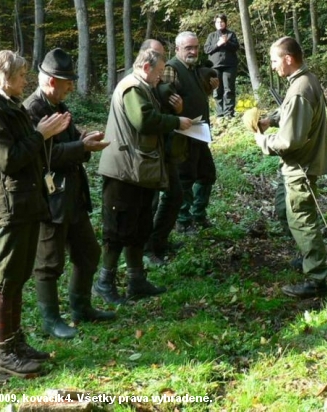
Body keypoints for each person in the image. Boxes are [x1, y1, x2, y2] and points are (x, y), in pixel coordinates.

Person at [0, 50, 70, 377]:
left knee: (18, 277)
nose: (26, 81)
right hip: (9, 206)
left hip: (24, 203)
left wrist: (42, 135)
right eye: (21, 75)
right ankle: (5, 354)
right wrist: (41, 134)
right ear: (2, 76)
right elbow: (8, 159)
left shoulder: (8, 105)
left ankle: (16, 343)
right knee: (6, 281)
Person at [23, 48, 116, 340]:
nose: (71, 87)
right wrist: (82, 148)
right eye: (67, 82)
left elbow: (70, 138)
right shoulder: (31, 111)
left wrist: (84, 139)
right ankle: (50, 320)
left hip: (73, 196)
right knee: (49, 263)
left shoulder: (59, 106)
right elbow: (40, 155)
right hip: (49, 200)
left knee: (88, 252)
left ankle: (81, 308)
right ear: (52, 81)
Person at [94, 48, 192, 304]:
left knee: (139, 226)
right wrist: (176, 122)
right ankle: (104, 283)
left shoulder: (143, 86)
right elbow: (144, 121)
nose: (161, 77)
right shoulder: (132, 88)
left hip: (137, 169)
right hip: (123, 171)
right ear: (146, 68)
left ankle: (136, 280)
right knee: (117, 230)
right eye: (159, 72)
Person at [253, 37, 327, 299]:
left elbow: (290, 139)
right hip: (299, 164)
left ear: (288, 59)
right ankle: (307, 256)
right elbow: (292, 114)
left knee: (303, 219)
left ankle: (317, 279)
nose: (273, 66)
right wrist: (271, 119)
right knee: (284, 210)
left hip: (301, 165)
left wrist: (263, 140)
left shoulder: (300, 88)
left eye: (275, 60)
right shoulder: (303, 81)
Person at [162, 31, 219, 233]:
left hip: (199, 132)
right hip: (182, 135)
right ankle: (183, 221)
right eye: (188, 48)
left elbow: (192, 95)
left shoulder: (194, 69)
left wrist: (209, 89)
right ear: (177, 49)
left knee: (207, 174)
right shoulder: (171, 68)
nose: (193, 51)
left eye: (195, 47)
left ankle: (199, 215)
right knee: (185, 178)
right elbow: (165, 101)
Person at [138, 39, 187, 264]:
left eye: (161, 57)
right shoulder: (135, 84)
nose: (161, 63)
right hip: (145, 155)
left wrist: (177, 110)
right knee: (149, 202)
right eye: (154, 55)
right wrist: (176, 119)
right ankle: (147, 249)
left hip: (165, 149)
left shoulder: (160, 79)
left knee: (175, 194)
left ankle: (159, 240)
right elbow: (145, 120)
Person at [204, 13, 239, 118]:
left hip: (229, 66)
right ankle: (220, 114)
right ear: (215, 24)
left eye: (222, 22)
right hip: (215, 66)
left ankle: (229, 113)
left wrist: (226, 42)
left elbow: (236, 47)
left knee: (229, 89)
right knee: (217, 90)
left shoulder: (231, 34)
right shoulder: (211, 36)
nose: (220, 24)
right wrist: (218, 44)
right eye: (218, 22)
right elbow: (207, 50)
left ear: (225, 23)